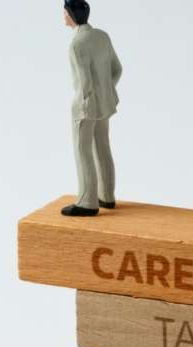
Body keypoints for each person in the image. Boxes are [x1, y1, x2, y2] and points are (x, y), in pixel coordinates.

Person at [61, 0, 123, 217]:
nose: (63, 17)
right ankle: (107, 196)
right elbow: (117, 69)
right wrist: (105, 90)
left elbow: (85, 83)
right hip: (104, 102)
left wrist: (82, 101)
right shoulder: (101, 36)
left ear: (71, 15)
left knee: (82, 150)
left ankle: (87, 201)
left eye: (65, 13)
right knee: (103, 147)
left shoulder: (77, 44)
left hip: (85, 106)